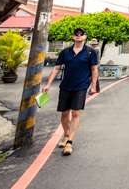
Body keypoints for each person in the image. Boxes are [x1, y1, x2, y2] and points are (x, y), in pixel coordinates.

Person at [42, 27, 98, 156]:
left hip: (81, 85)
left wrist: (93, 86)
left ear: (85, 36)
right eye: (76, 34)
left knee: (76, 113)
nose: (79, 35)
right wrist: (48, 84)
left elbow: (94, 69)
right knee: (64, 113)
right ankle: (66, 135)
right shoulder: (65, 52)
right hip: (66, 85)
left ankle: (70, 142)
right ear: (73, 37)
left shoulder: (90, 52)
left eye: (81, 34)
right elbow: (56, 68)